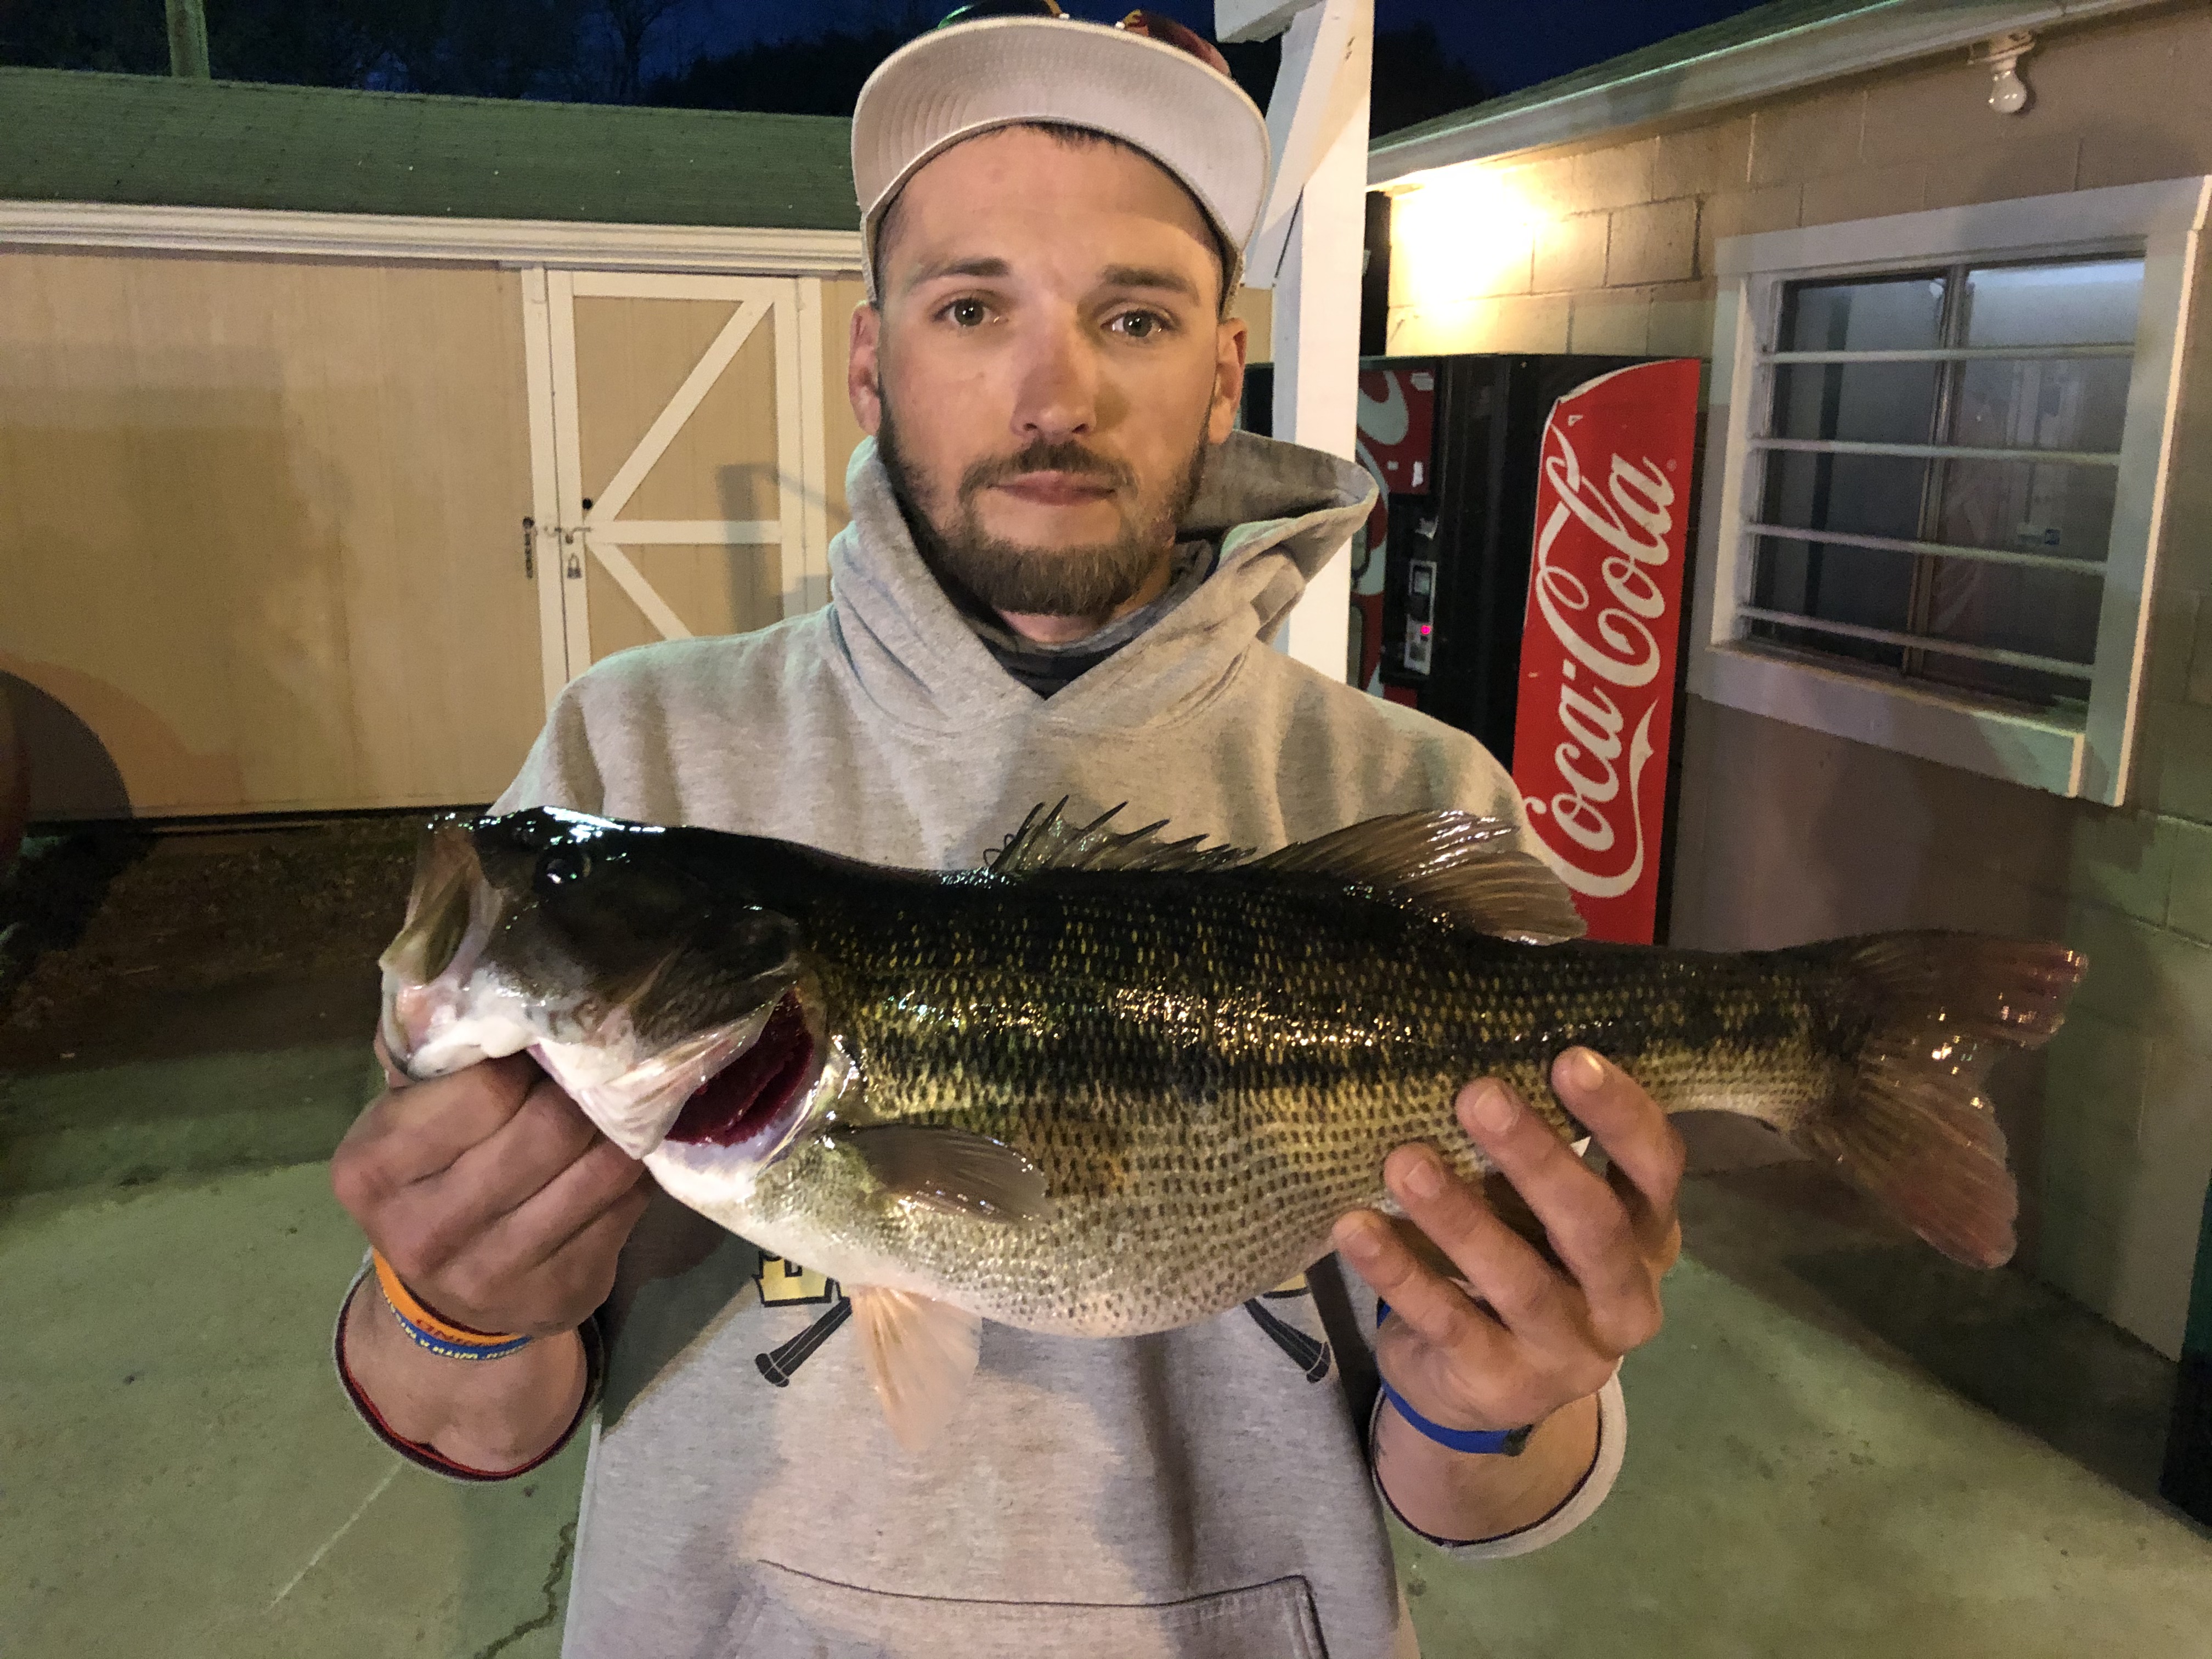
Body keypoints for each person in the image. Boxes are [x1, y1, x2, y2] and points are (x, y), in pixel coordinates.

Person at [329, 8, 1685, 1655]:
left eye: (1135, 315)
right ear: (871, 360)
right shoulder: (631, 755)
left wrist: (1499, 1398)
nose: (1057, 394)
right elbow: (470, 1422)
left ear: (1224, 372)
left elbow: (1476, 1494)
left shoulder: (1410, 798)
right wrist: (450, 1309)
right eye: (973, 307)